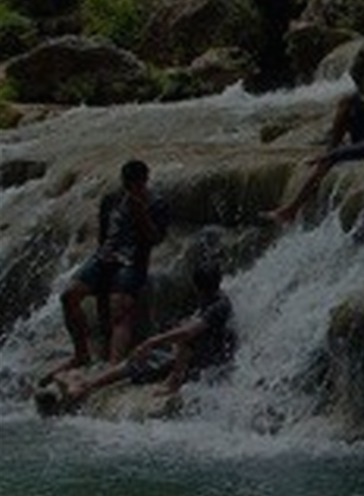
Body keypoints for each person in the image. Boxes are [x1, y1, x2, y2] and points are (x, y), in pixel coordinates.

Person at [46, 264, 234, 408]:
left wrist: (152, 341)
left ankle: (173, 382)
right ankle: (86, 384)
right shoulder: (212, 299)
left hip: (208, 361)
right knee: (140, 359)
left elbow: (188, 332)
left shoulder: (219, 305)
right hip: (194, 355)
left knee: (173, 344)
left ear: (197, 287)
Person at [52, 160, 168, 375]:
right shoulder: (111, 200)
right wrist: (100, 272)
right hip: (104, 258)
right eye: (129, 184)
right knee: (69, 296)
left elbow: (155, 239)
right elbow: (104, 237)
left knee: (120, 308)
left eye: (138, 184)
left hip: (133, 261)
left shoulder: (157, 203)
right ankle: (81, 355)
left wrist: (141, 215)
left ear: (145, 181)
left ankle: (114, 365)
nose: (133, 188)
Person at [271, 90, 364, 225]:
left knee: (329, 159)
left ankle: (291, 210)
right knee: (350, 98)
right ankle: (332, 147)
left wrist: (327, 155)